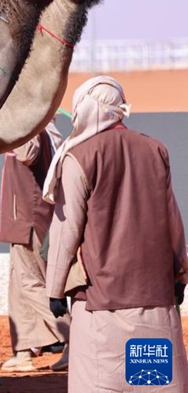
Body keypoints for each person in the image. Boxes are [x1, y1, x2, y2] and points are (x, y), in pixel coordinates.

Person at [44, 76, 188, 391]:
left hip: (100, 307)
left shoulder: (78, 157)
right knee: (151, 382)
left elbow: (67, 230)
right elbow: (173, 223)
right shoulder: (156, 150)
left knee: (101, 382)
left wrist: (54, 289)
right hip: (154, 302)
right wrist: (180, 275)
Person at [0, 119, 70, 372]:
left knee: (30, 283)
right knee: (18, 283)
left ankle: (73, 337)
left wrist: (13, 122)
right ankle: (23, 351)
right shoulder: (49, 130)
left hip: (28, 217)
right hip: (27, 217)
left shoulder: (31, 127)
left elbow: (28, 153)